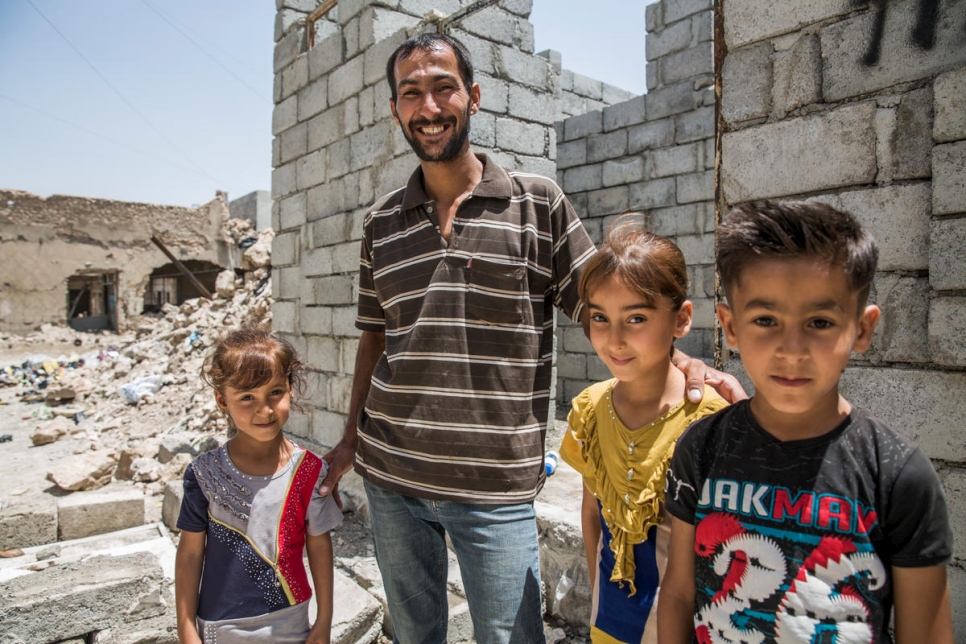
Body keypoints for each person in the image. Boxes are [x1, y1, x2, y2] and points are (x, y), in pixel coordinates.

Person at [319, 32, 745, 644]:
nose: (429, 106)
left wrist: (681, 357)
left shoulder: (536, 204)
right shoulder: (381, 223)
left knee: (513, 635)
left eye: (444, 87)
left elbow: (604, 306)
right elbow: (374, 336)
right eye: (411, 93)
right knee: (415, 634)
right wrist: (347, 439)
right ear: (395, 109)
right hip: (393, 476)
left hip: (495, 487)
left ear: (474, 95)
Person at [658, 201, 954, 643]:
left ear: (862, 329)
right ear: (730, 326)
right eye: (766, 320)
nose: (791, 349)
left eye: (819, 322)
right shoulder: (701, 448)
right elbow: (680, 594)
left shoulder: (897, 475)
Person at [558, 221, 728, 644]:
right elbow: (592, 512)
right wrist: (598, 596)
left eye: (636, 317)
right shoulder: (590, 411)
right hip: (610, 623)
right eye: (600, 317)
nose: (614, 340)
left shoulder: (709, 421)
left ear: (682, 319)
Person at [175, 329, 343, 644]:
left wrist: (324, 621)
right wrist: (186, 629)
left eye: (275, 392)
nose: (264, 410)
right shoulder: (204, 475)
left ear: (291, 390)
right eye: (247, 397)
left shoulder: (310, 472)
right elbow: (189, 554)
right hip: (219, 626)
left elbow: (319, 546)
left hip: (291, 623)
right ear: (222, 400)